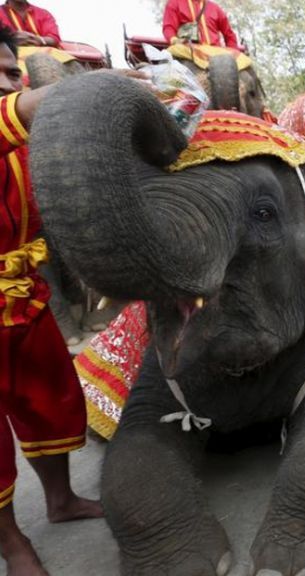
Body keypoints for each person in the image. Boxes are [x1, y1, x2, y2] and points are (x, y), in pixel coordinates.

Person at [0, 26, 103, 575]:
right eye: (4, 73)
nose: (9, 82)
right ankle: (13, 542)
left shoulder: (20, 144)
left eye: (14, 74)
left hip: (24, 291)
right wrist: (97, 86)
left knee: (53, 397)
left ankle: (60, 502)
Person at [162, 0, 239, 49]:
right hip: (188, 52)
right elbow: (169, 28)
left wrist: (233, 53)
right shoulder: (174, 3)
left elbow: (229, 35)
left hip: (215, 54)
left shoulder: (215, 8)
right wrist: (175, 40)